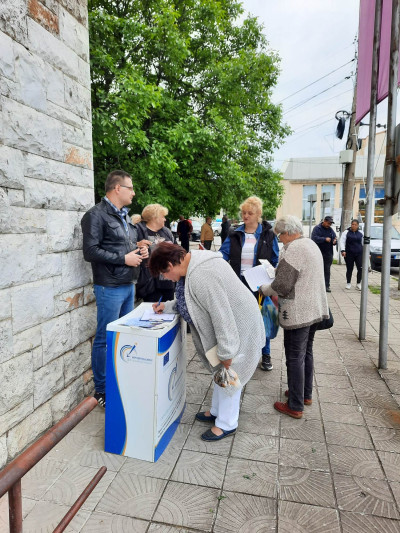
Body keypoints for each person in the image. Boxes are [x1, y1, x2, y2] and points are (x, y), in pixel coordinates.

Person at [149, 242, 264, 441]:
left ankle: (227, 423)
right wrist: (167, 307)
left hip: (238, 327)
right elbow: (191, 301)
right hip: (232, 325)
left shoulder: (202, 275)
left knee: (231, 375)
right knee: (221, 372)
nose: (165, 278)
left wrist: (228, 353)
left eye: (163, 273)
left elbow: (222, 316)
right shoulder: (191, 267)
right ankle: (217, 411)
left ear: (170, 264)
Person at [81, 169, 149, 408]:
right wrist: (123, 259)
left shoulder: (125, 217)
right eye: (130, 188)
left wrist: (140, 249)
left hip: (128, 283)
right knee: (104, 339)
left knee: (124, 337)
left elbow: (123, 246)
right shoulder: (95, 215)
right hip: (109, 286)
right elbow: (90, 251)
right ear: (117, 188)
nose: (134, 192)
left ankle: (122, 381)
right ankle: (101, 390)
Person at [259, 215, 329, 419]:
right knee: (306, 352)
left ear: (289, 232)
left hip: (299, 312)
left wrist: (264, 288)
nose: (279, 239)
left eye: (279, 235)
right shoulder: (309, 243)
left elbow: (282, 285)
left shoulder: (294, 249)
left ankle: (295, 405)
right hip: (314, 308)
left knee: (294, 356)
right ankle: (304, 394)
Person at [219, 196, 279, 371]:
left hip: (260, 286)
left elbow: (275, 259)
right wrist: (214, 259)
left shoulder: (269, 234)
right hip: (239, 284)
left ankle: (265, 354)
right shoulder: (235, 233)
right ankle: (244, 353)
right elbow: (224, 253)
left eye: (250, 213)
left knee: (263, 320)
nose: (245, 216)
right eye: (244, 213)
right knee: (240, 320)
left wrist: (269, 274)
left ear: (258, 214)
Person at [136, 203, 176, 301]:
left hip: (167, 280)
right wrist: (138, 245)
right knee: (151, 311)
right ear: (155, 217)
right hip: (150, 282)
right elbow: (129, 247)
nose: (165, 219)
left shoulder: (166, 231)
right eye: (163, 217)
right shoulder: (138, 230)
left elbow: (177, 249)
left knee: (168, 311)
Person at [311, 215, 337, 292]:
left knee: (327, 270)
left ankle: (326, 286)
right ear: (324, 221)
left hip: (328, 253)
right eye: (328, 223)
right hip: (318, 252)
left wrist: (335, 241)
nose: (329, 225)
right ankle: (316, 286)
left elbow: (334, 238)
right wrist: (324, 239)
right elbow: (314, 238)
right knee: (317, 270)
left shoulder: (330, 230)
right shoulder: (317, 228)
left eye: (331, 224)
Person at [340, 219, 363, 290]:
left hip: (359, 253)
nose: (353, 226)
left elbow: (364, 243)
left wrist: (367, 253)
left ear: (358, 225)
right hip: (349, 253)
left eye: (355, 225)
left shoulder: (361, 233)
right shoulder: (346, 232)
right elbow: (342, 241)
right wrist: (343, 250)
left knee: (360, 268)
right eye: (352, 224)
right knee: (350, 268)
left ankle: (358, 283)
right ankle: (348, 283)